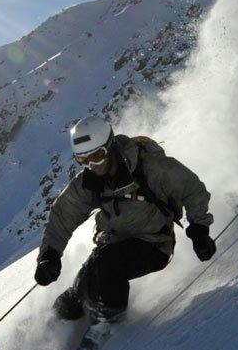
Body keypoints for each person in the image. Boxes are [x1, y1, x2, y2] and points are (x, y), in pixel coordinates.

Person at [33, 118, 215, 323]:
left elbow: (192, 190)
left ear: (109, 147)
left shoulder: (149, 167)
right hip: (113, 242)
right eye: (83, 160)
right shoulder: (89, 181)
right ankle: (55, 329)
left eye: (97, 156)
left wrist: (199, 230)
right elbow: (63, 215)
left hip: (154, 243)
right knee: (77, 294)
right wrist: (49, 254)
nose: (92, 165)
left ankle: (107, 324)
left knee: (108, 265)